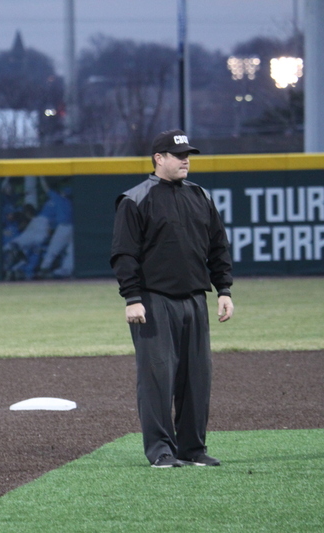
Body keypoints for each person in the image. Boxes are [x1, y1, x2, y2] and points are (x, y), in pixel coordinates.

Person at [110, 129, 234, 468]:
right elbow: (124, 254)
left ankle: (192, 448)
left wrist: (224, 290)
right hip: (153, 301)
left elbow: (218, 247)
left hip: (195, 299)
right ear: (158, 158)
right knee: (157, 378)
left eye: (188, 154)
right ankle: (161, 451)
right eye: (178, 154)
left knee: (197, 377)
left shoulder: (200, 196)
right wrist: (131, 297)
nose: (185, 159)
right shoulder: (135, 198)